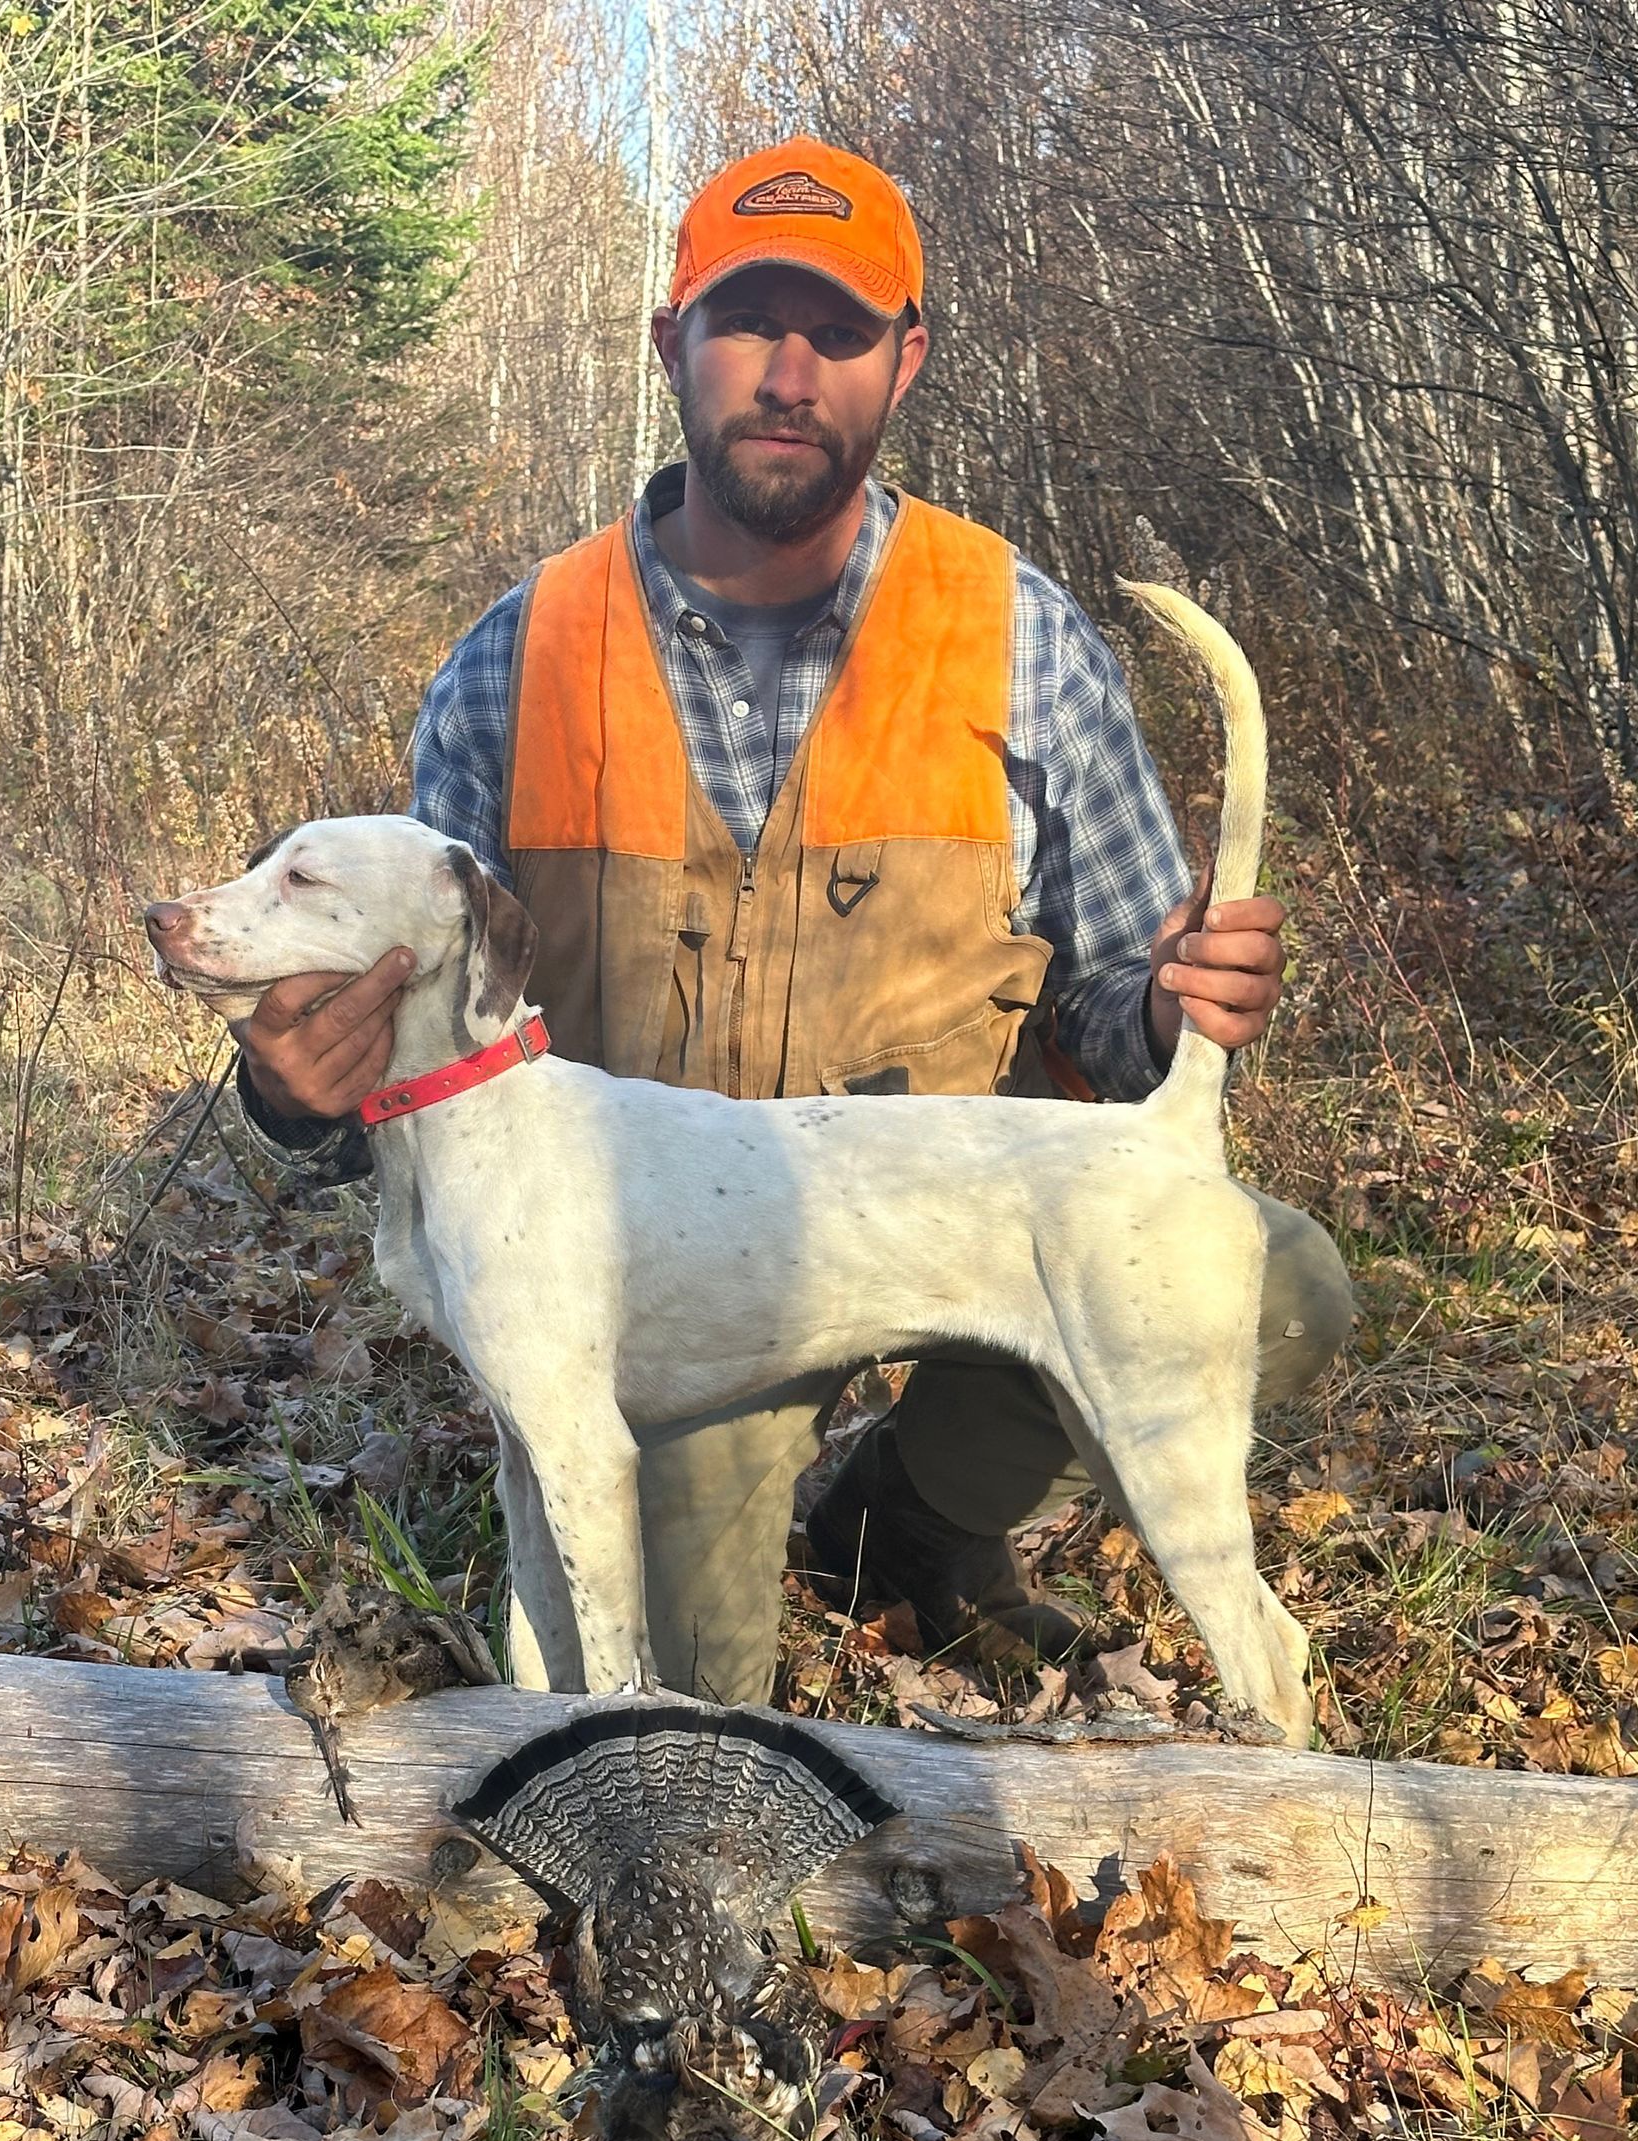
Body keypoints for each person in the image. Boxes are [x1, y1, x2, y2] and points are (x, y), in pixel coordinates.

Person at [234, 138, 1354, 1706]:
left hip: (941, 1204)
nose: (786, 373)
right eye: (745, 321)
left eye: (834, 332)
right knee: (685, 1703)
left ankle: (908, 1524)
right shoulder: (519, 659)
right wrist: (298, 1095)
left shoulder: (1018, 634)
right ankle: (737, 1540)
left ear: (905, 361)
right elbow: (416, 1034)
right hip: (674, 1272)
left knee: (1275, 1279)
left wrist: (1169, 1005)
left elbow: (1116, 989)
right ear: (669, 347)